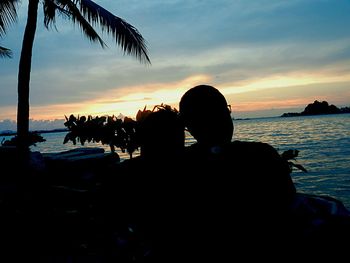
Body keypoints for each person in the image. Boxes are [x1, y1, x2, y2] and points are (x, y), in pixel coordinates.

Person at [178, 84, 297, 257]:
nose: (225, 117)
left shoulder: (177, 166)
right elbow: (288, 209)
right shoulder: (261, 156)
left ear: (188, 126)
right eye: (222, 112)